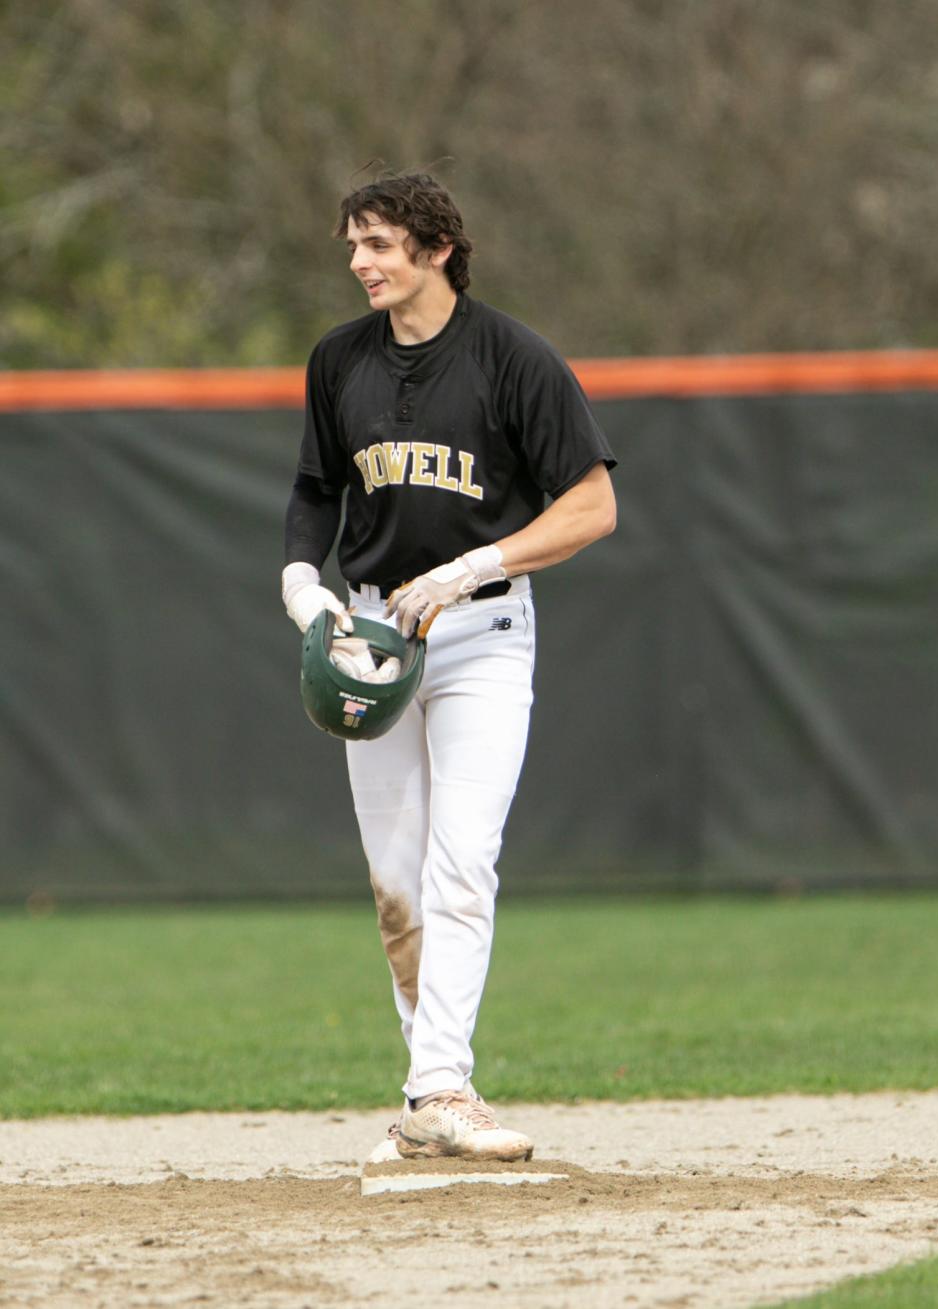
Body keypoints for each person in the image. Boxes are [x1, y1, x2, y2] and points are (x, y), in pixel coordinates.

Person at [282, 171, 616, 1164]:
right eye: (352, 244)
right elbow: (312, 491)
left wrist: (476, 562)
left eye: (378, 243)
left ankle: (440, 1086)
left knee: (462, 856)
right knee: (397, 882)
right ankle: (432, 1090)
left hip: (482, 632)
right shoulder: (339, 360)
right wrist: (307, 587)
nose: (359, 262)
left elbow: (592, 505)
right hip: (372, 636)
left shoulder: (513, 359)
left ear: (436, 247)